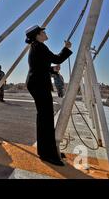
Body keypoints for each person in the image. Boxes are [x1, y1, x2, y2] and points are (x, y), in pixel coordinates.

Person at [25, 25, 72, 166]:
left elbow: (41, 66)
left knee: (45, 117)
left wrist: (52, 69)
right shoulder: (39, 46)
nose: (45, 33)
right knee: (45, 118)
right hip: (38, 84)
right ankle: (47, 153)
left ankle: (47, 150)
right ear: (38, 35)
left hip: (37, 83)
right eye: (43, 31)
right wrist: (67, 48)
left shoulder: (37, 47)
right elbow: (56, 59)